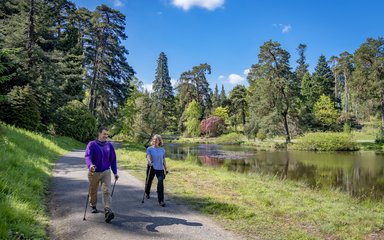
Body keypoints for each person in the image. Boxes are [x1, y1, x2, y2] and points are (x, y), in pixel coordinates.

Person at [85, 126, 119, 223]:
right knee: (93, 190)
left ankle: (107, 210)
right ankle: (93, 205)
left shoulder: (109, 146)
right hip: (94, 171)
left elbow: (113, 160)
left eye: (107, 134)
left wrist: (115, 172)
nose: (106, 136)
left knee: (106, 190)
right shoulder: (92, 144)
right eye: (104, 134)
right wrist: (90, 165)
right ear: (99, 133)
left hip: (106, 172)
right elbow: (88, 156)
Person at [145, 134, 168, 207]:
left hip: (160, 169)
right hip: (152, 167)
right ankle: (147, 192)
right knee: (149, 181)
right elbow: (148, 156)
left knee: (160, 182)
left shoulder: (162, 150)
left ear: (159, 141)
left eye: (156, 140)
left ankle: (161, 200)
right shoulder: (149, 149)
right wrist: (149, 161)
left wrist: (166, 168)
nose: (155, 141)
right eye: (154, 139)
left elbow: (163, 159)